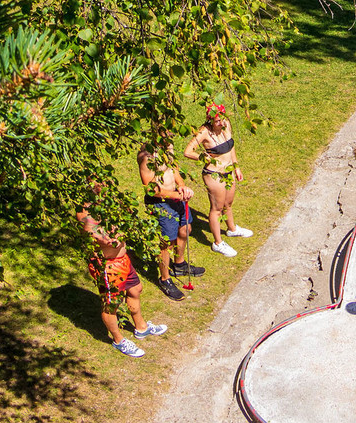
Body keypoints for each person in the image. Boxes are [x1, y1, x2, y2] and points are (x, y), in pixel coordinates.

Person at [76, 208, 167, 358]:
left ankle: (141, 327)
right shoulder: (85, 217)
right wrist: (125, 229)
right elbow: (111, 242)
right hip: (108, 266)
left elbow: (128, 221)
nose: (102, 184)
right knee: (111, 304)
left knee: (136, 289)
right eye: (98, 183)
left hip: (123, 261)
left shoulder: (105, 204)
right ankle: (118, 340)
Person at [184, 101, 253, 256]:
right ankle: (217, 243)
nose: (221, 123)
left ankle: (232, 229)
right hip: (214, 175)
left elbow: (230, 146)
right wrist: (202, 157)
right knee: (216, 209)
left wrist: (236, 166)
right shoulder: (204, 132)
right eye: (217, 121)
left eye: (222, 119)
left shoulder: (226, 124)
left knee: (228, 204)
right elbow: (188, 151)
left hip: (228, 172)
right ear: (210, 120)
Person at [137, 144, 205, 298]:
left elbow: (173, 169)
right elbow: (150, 189)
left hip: (176, 196)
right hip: (160, 203)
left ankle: (179, 265)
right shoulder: (146, 156)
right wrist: (176, 196)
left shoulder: (168, 147)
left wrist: (181, 185)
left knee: (186, 228)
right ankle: (165, 279)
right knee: (167, 241)